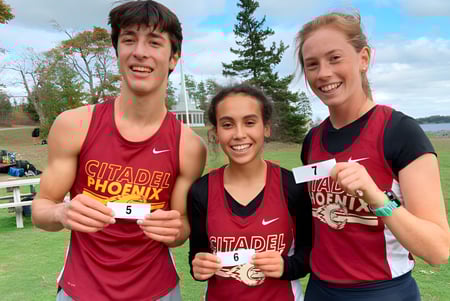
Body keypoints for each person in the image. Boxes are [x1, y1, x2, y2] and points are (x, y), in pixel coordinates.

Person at [31, 1, 206, 300]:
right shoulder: (74, 124)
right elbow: (41, 208)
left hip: (158, 291)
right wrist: (62, 212)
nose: (140, 51)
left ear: (174, 57)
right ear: (117, 53)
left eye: (154, 42)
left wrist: (175, 231)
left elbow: (181, 226)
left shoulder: (189, 145)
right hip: (80, 291)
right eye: (128, 39)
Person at [295, 11, 450, 301]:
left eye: (335, 58)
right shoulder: (313, 140)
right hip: (320, 290)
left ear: (363, 58)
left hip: (383, 292)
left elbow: (438, 249)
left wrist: (378, 197)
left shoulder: (400, 132)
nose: (323, 73)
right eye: (312, 65)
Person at [188, 84, 312, 301]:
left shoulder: (293, 186)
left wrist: (286, 266)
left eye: (250, 122)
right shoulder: (201, 191)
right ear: (216, 133)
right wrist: (198, 267)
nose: (239, 134)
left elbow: (308, 255)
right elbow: (197, 257)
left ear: (266, 128)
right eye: (227, 125)